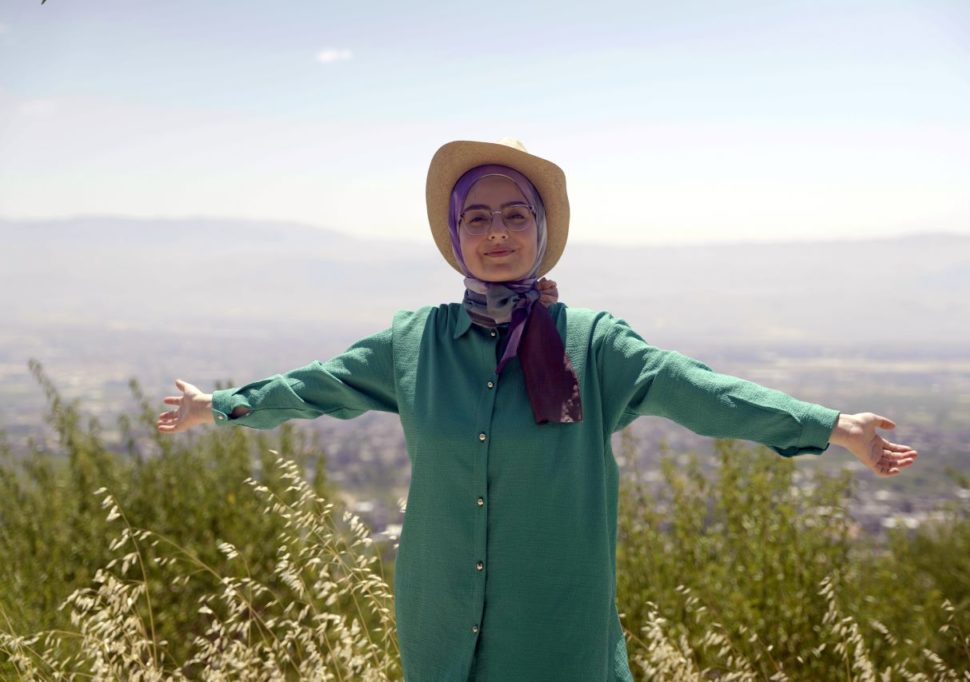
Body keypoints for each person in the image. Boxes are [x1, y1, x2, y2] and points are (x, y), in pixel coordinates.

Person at [158, 138, 918, 682]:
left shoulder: (593, 344)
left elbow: (703, 391)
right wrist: (220, 406)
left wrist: (830, 427)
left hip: (557, 632)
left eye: (515, 216)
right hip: (438, 623)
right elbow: (314, 385)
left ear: (542, 233)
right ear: (454, 236)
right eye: (477, 218)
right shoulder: (413, 343)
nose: (496, 233)